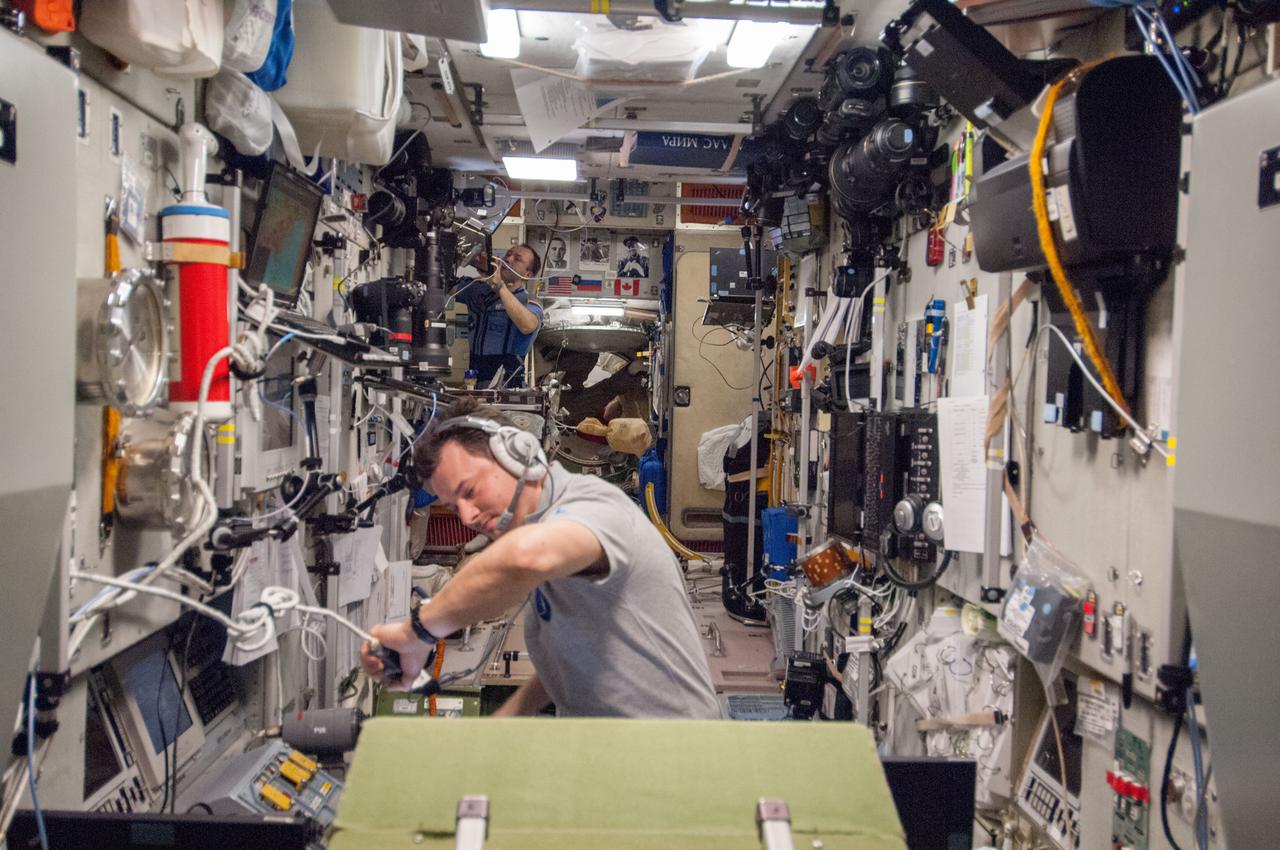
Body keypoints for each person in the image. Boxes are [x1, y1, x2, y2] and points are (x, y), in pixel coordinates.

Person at [359, 398, 721, 719]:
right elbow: (566, 662)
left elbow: (525, 557)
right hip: (604, 752)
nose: (467, 517)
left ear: (516, 453)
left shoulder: (592, 507)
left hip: (673, 750)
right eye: (454, 506)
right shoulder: (541, 527)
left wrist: (417, 631)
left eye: (469, 491)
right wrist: (504, 723)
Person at [455, 244, 543, 386]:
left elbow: (528, 325)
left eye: (517, 259)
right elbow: (443, 286)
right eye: (508, 254)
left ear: (527, 275)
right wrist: (458, 259)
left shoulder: (529, 301)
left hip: (508, 387)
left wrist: (499, 286)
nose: (508, 259)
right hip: (474, 381)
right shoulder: (478, 289)